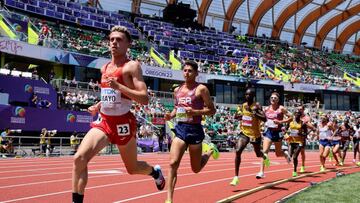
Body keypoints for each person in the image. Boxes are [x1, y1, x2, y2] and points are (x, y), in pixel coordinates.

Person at [72, 26, 165, 203]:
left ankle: (155, 172)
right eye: (112, 39)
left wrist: (119, 86)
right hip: (105, 121)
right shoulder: (104, 68)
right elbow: (111, 95)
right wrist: (98, 105)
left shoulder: (132, 66)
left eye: (119, 39)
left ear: (128, 44)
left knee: (132, 168)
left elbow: (144, 99)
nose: (114, 42)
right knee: (79, 159)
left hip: (123, 123)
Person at [164, 61, 218, 203]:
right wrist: (170, 115)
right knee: (173, 163)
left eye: (190, 71)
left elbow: (212, 110)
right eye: (185, 70)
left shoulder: (201, 89)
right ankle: (169, 199)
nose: (186, 73)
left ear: (196, 73)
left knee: (196, 169)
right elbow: (177, 108)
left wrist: (195, 111)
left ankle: (210, 151)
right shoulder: (177, 90)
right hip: (181, 129)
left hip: (195, 130)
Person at [230, 88, 266, 186]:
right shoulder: (243, 105)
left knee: (258, 154)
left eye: (249, 95)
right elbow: (238, 117)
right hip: (244, 133)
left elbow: (264, 118)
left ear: (253, 96)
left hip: (255, 134)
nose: (247, 96)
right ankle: (236, 177)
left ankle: (264, 156)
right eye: (246, 94)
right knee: (238, 151)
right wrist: (238, 116)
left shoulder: (257, 105)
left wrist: (254, 112)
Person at [257, 92, 292, 179]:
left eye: (275, 98)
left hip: (278, 132)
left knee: (278, 153)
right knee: (264, 151)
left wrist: (281, 122)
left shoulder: (281, 109)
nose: (273, 99)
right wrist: (260, 124)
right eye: (272, 98)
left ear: (278, 100)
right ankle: (261, 172)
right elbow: (262, 119)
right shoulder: (266, 109)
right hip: (268, 132)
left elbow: (291, 117)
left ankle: (285, 154)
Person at [284, 110, 307, 177]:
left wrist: (301, 134)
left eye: (298, 114)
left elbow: (305, 133)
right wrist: (286, 134)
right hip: (291, 142)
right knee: (289, 157)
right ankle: (287, 154)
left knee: (295, 156)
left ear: (300, 116)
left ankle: (294, 171)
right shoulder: (290, 122)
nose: (296, 115)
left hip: (299, 142)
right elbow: (285, 130)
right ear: (294, 115)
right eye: (295, 114)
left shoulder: (303, 123)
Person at [297, 105, 316, 173]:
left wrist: (307, 133)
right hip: (295, 136)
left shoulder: (306, 117)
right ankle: (295, 165)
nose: (299, 110)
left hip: (302, 136)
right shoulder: (296, 116)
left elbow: (311, 127)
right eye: (298, 109)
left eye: (300, 109)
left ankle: (302, 166)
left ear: (303, 110)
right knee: (294, 151)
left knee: (302, 152)